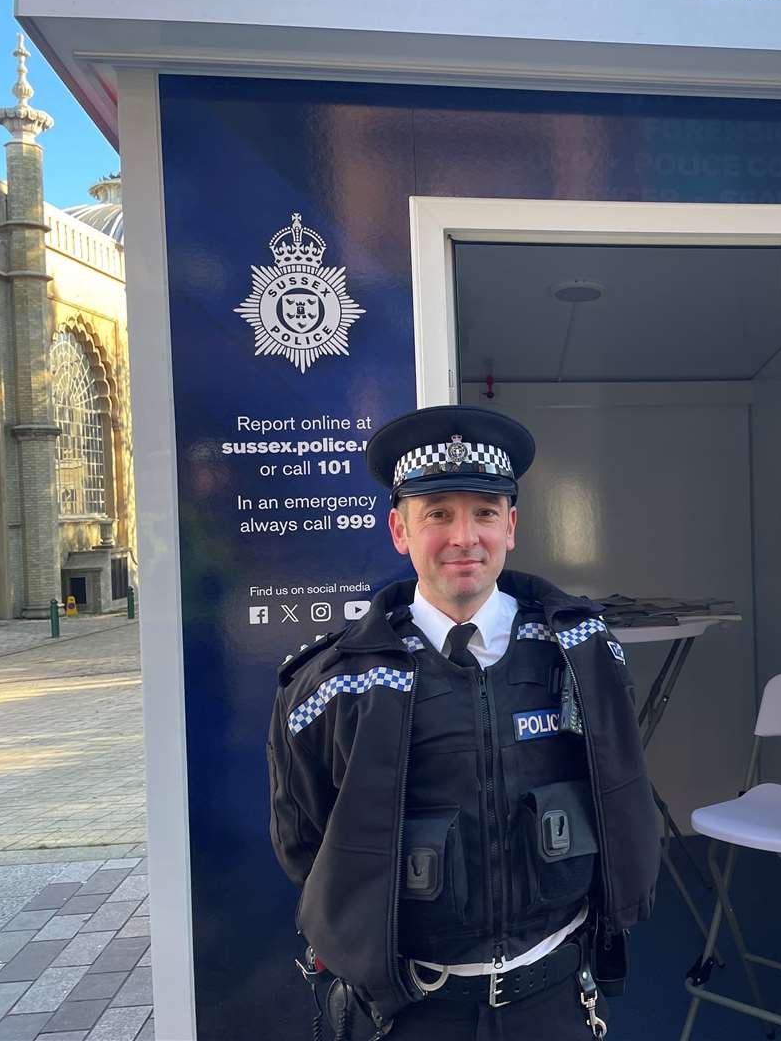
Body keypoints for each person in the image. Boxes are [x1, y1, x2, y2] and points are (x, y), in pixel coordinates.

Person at [268, 405, 660, 1040]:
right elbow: (305, 845)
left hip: (555, 1000)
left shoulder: (582, 653)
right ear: (400, 530)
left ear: (511, 525)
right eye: (438, 515)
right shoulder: (335, 685)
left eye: (483, 512)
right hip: (413, 1013)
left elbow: (617, 790)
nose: (463, 537)